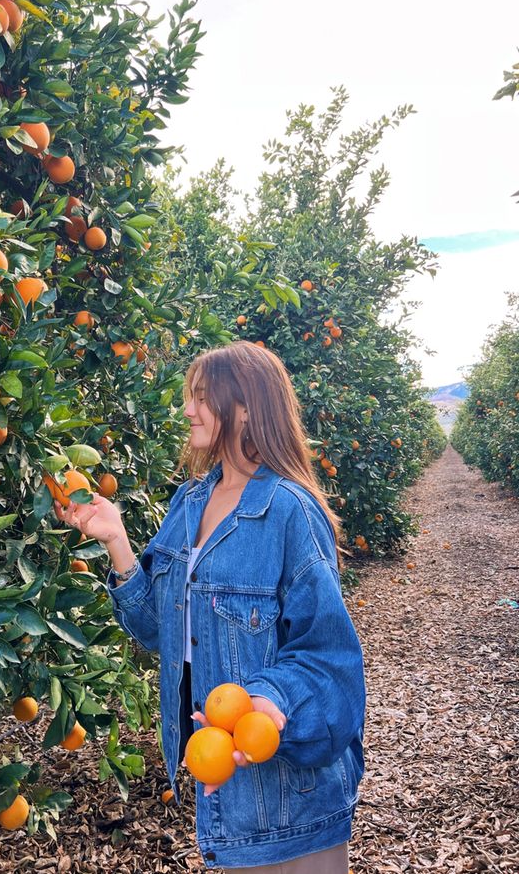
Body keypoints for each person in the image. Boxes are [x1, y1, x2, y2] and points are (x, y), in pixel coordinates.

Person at [54, 340, 366, 873]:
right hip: (224, 789)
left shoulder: (289, 509)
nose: (187, 409)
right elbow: (160, 631)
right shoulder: (191, 500)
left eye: (201, 397)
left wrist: (269, 699)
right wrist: (117, 543)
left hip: (290, 793)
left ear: (245, 407)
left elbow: (328, 654)